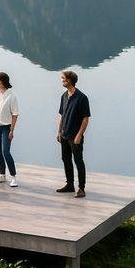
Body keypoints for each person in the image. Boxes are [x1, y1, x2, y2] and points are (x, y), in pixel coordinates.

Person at [56, 69, 90, 198]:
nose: (62, 80)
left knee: (78, 161)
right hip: (64, 134)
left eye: (63, 78)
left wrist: (79, 135)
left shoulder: (82, 98)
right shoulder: (64, 96)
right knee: (66, 159)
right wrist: (59, 131)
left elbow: (85, 118)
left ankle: (81, 188)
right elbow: (62, 115)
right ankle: (70, 185)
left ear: (69, 80)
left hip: (75, 136)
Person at [0, 72, 19, 187]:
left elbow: (15, 114)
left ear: (2, 81)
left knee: (6, 151)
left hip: (6, 127)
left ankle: (13, 177)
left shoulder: (11, 96)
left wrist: (12, 130)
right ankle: (2, 175)